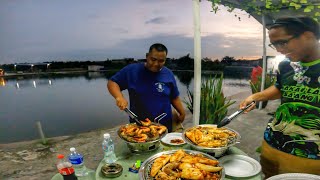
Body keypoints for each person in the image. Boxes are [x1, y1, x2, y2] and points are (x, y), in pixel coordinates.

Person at [240, 16, 320, 177]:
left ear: (309, 36)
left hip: (310, 155)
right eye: (274, 44)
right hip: (273, 143)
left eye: (282, 42)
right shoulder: (285, 65)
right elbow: (280, 87)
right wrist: (257, 96)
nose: (278, 49)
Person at [107, 43, 185, 132]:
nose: (156, 64)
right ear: (147, 56)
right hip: (139, 126)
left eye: (161, 61)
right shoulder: (132, 71)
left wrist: (182, 112)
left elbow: (174, 96)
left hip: (164, 126)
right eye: (153, 59)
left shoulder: (168, 74)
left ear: (165, 60)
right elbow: (112, 82)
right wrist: (119, 97)